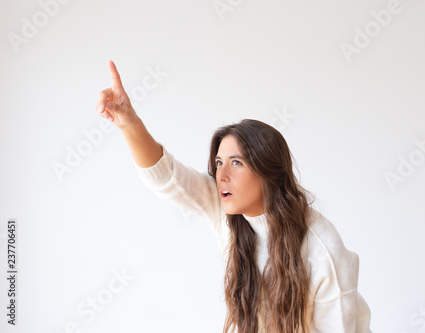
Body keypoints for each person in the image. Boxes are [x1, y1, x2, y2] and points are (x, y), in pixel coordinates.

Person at [96, 60, 373, 333]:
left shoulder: (323, 249)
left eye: (236, 163)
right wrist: (128, 123)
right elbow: (166, 178)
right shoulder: (226, 210)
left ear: (269, 171)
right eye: (218, 163)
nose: (222, 175)